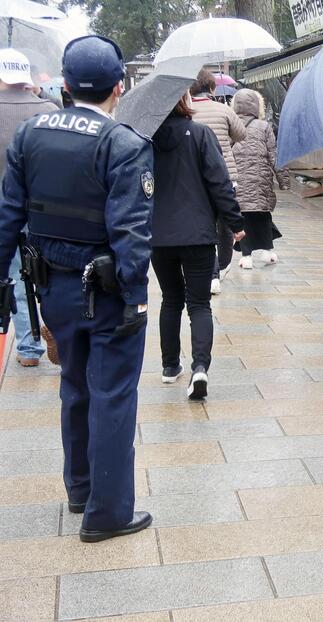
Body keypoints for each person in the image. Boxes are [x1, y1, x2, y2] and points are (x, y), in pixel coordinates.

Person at [0, 36, 155, 542]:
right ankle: (108, 513)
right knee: (113, 395)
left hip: (54, 290)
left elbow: (8, 217)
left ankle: (80, 489)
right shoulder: (123, 144)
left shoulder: (29, 135)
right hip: (108, 293)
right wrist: (135, 296)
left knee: (75, 387)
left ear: (64, 85)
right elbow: (131, 231)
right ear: (120, 85)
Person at [151, 93, 245, 399]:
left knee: (170, 300)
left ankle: (169, 367)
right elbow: (219, 182)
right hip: (198, 233)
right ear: (183, 100)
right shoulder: (200, 134)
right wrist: (235, 223)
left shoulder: (145, 139)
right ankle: (200, 368)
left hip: (159, 236)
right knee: (199, 304)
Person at [0, 48, 59, 367]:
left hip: (3, 204)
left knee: (13, 273)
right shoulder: (48, 110)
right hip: (44, 204)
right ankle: (55, 325)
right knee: (47, 271)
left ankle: (28, 346)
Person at [189, 69, 246, 294]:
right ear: (212, 88)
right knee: (225, 225)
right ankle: (221, 267)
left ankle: (211, 273)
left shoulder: (187, 110)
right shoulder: (224, 109)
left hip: (195, 177)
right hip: (226, 174)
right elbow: (242, 135)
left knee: (204, 225)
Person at [230, 88, 289, 269]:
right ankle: (268, 251)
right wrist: (284, 180)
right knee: (262, 214)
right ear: (257, 106)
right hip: (260, 180)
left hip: (237, 178)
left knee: (243, 217)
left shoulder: (230, 124)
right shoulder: (264, 127)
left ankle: (246, 256)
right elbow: (274, 155)